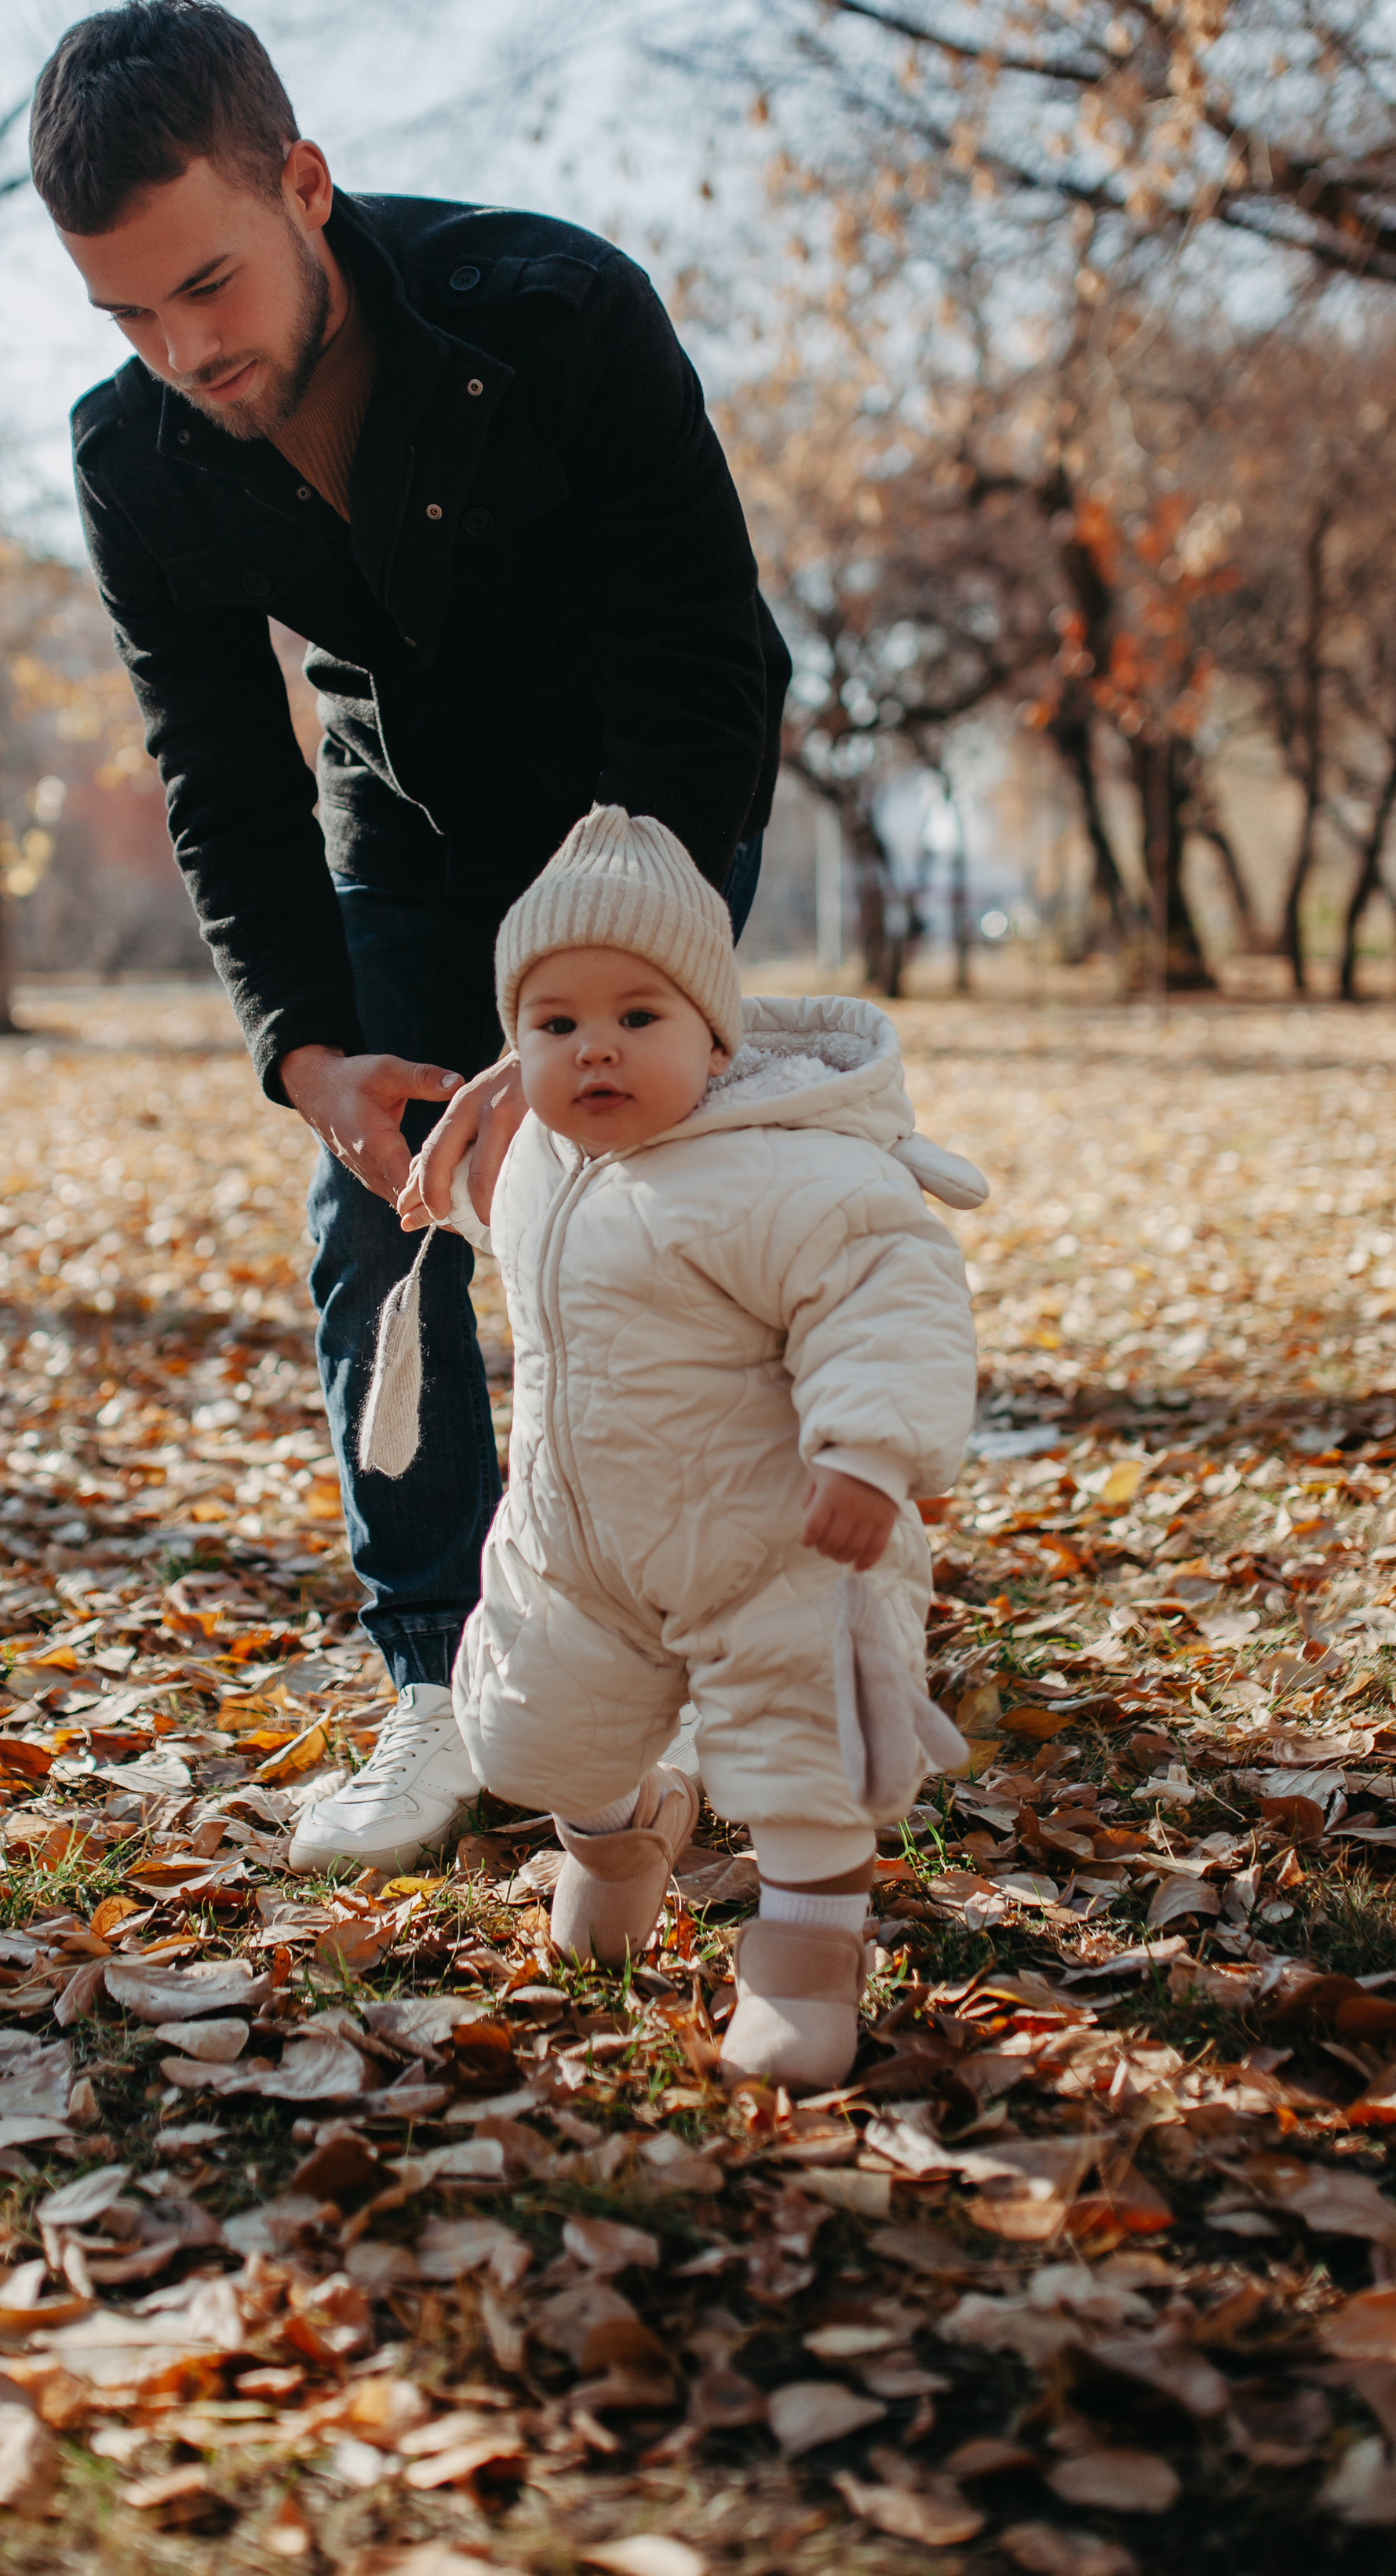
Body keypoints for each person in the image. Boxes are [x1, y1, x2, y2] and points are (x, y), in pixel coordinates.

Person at [29, 0, 790, 1871]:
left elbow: (708, 660)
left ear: (301, 183)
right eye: (126, 315)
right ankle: (438, 1689)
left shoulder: (553, 314)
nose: (180, 349)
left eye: (206, 284)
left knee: (648, 1237)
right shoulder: (135, 459)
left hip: (626, 832)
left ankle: (697, 1679)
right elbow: (215, 766)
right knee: (376, 1217)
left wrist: (603, 1011)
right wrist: (302, 1051)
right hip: (401, 838)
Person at [422, 806, 981, 2084]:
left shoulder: (787, 1171)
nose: (595, 1050)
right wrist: (443, 1191)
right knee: (532, 1734)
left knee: (805, 1766)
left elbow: (889, 1290)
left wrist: (868, 1454)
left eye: (639, 1017)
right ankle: (622, 1839)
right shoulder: (537, 1163)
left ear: (716, 1039)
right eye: (555, 1025)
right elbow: (530, 1248)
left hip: (772, 1542)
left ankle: (804, 1956)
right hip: (581, 1547)